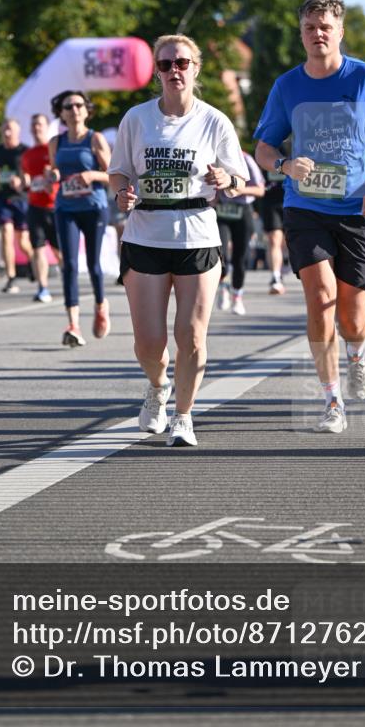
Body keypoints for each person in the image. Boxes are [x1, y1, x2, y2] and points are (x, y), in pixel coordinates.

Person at [254, 0, 365, 435]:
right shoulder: (286, 87)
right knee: (320, 299)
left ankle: (358, 352)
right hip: (306, 206)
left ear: (339, 32)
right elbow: (263, 147)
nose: (317, 33)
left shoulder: (364, 77)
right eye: (309, 27)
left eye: (325, 26)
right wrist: (283, 165)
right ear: (300, 34)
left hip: (359, 208)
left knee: (351, 318)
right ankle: (331, 400)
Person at [109, 34, 247, 447]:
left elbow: (239, 180)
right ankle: (157, 387)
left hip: (198, 234)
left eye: (182, 63)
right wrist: (122, 192)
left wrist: (226, 179)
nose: (174, 71)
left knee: (191, 336)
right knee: (149, 343)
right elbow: (118, 172)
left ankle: (184, 416)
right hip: (146, 233)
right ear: (157, 71)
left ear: (196, 68)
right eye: (166, 64)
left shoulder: (214, 121)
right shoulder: (136, 118)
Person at [47, 91, 111, 346]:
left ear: (87, 110)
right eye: (68, 106)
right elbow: (54, 169)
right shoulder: (56, 142)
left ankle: (100, 305)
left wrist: (93, 175)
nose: (74, 109)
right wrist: (52, 174)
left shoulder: (95, 139)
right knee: (70, 265)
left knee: (94, 265)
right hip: (65, 207)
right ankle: (73, 324)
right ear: (61, 113)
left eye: (78, 105)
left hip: (94, 207)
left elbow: (114, 174)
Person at [215, 149, 265, 315]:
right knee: (219, 253)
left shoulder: (246, 159)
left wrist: (237, 188)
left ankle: (237, 295)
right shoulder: (213, 158)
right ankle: (223, 286)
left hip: (242, 209)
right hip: (221, 210)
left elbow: (260, 189)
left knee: (240, 256)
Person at [0, 118, 33, 294]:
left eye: (10, 130)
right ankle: (10, 278)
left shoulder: (24, 151)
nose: (7, 133)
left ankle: (32, 261)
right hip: (3, 198)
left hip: (21, 199)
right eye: (5, 129)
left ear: (18, 132)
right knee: (6, 234)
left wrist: (21, 181)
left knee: (23, 242)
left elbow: (30, 176)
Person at [21, 113, 61, 303]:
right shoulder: (27, 155)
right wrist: (22, 183)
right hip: (34, 206)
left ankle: (71, 281)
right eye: (34, 125)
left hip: (54, 206)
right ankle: (42, 287)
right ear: (31, 129)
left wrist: (52, 176)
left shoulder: (52, 149)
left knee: (58, 250)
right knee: (37, 248)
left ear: (46, 127)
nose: (37, 128)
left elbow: (61, 173)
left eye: (40, 125)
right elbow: (26, 180)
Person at [258, 157, 288, 295]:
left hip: (291, 200)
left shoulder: (298, 144)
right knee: (274, 239)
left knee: (287, 241)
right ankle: (276, 277)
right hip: (270, 202)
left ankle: (284, 265)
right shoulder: (265, 146)